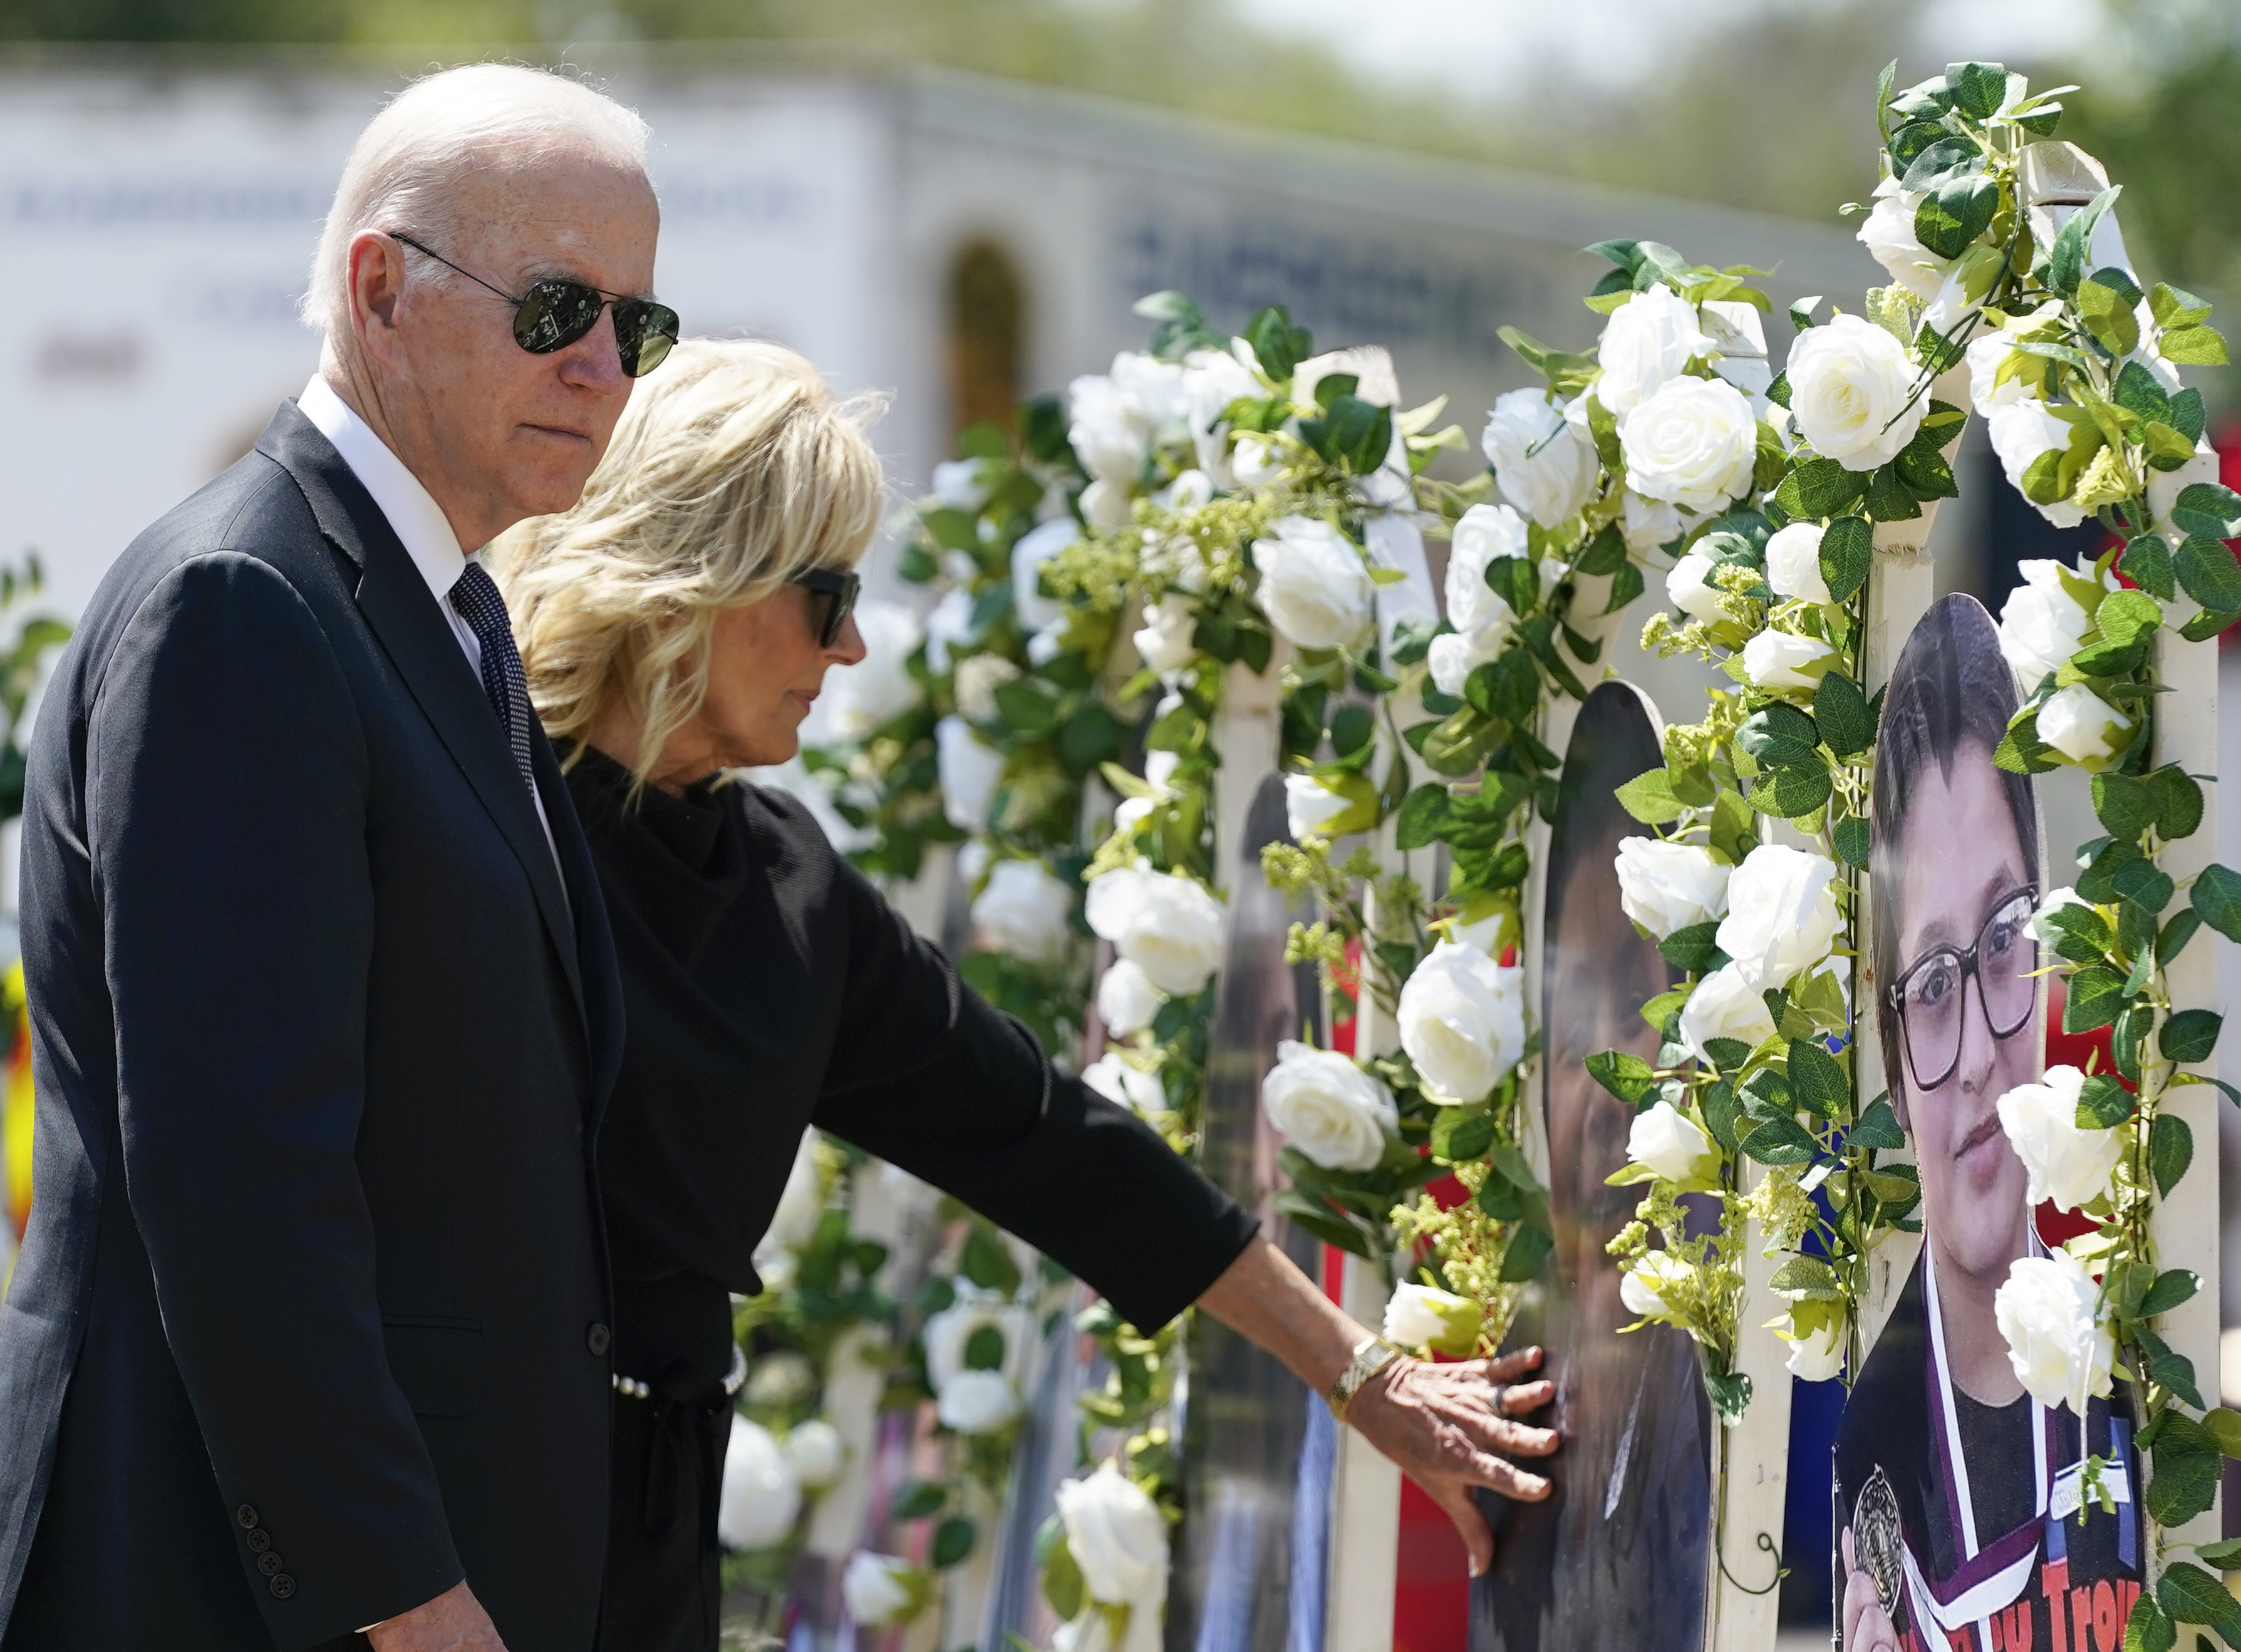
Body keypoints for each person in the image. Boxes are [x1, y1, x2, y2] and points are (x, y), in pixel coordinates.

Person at [492, 338, 1563, 1651]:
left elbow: (1052, 1143)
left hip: (650, 1535)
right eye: (825, 594)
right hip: (442, 1529)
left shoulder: (786, 887)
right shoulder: (475, 818)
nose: (852, 643)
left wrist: (1364, 1375)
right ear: (696, 576)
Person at [0, 65, 666, 1652]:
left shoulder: (438, 617)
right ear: (379, 288)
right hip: (224, 1588)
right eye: (556, 307)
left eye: (636, 324)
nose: (605, 366)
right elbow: (239, 1175)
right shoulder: (245, 611)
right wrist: (403, 1594)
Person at [1835, 595, 2142, 1652]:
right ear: (1886, 1045)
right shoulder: (1875, 1427)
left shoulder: (2137, 1350)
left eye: (2006, 935)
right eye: (1927, 983)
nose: (1972, 1054)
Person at [1472, 682, 1710, 1652]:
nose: (1610, 1087)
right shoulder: (1516, 1437)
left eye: (1644, 1011)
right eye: (1577, 1025)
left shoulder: (1742, 1432)